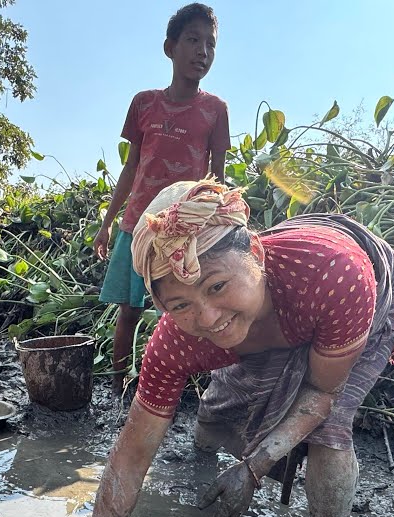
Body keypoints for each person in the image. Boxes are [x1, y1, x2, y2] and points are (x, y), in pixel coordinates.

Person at [18, 180, 394, 517]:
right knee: (218, 410)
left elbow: (320, 394)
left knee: (330, 429)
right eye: (181, 305)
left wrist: (253, 467)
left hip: (342, 292)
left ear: (256, 253)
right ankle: (202, 471)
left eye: (217, 286)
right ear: (163, 308)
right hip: (272, 311)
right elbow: (130, 456)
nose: (207, 318)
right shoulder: (178, 341)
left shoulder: (335, 276)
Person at [93, 3, 230, 393]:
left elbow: (217, 179)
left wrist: (221, 228)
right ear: (170, 47)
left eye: (210, 44)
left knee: (179, 313)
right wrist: (107, 224)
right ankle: (118, 386)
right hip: (136, 225)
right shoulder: (144, 103)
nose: (202, 51)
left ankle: (170, 388)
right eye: (193, 40)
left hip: (183, 232)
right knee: (129, 311)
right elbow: (131, 167)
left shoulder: (215, 110)